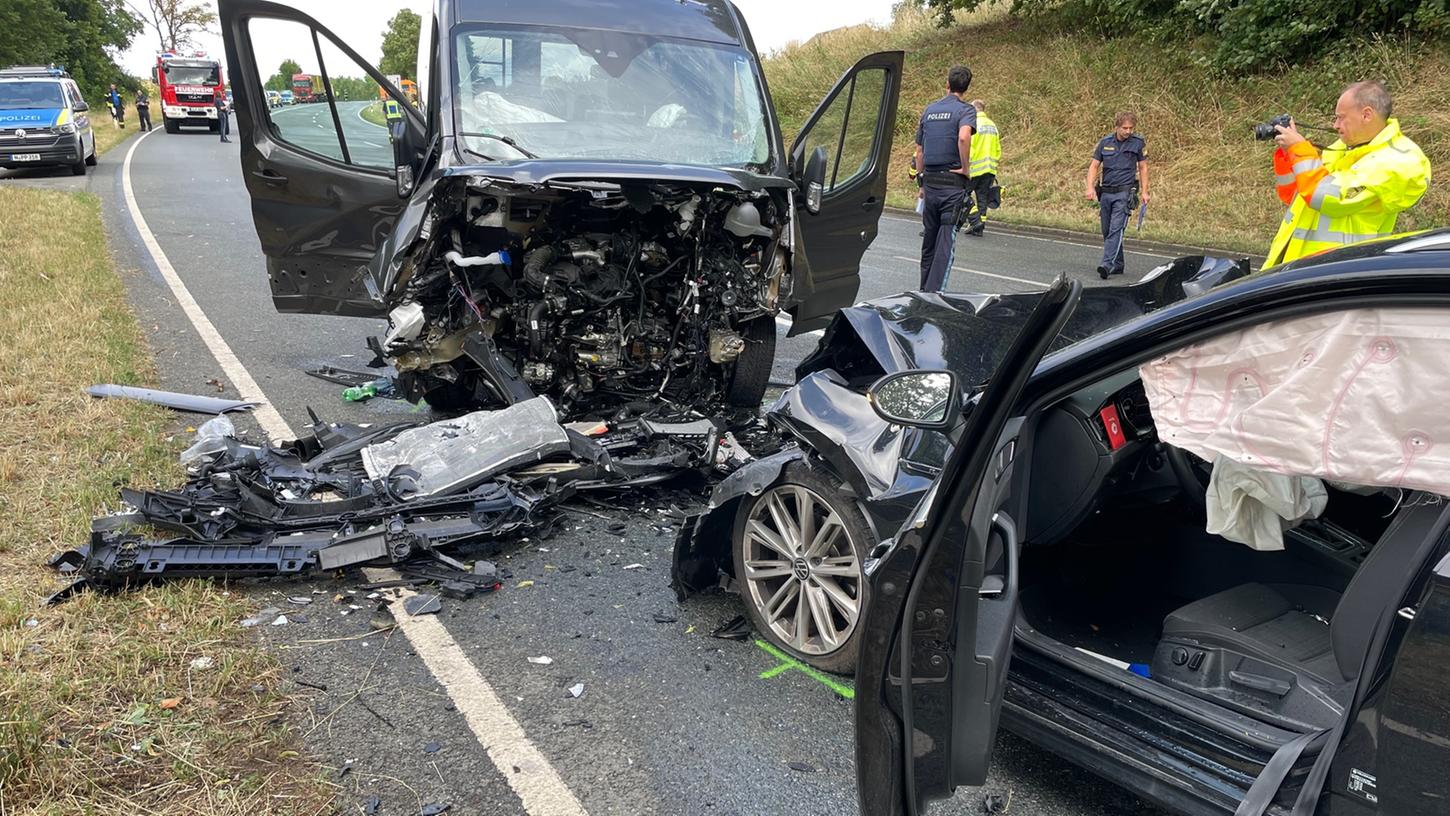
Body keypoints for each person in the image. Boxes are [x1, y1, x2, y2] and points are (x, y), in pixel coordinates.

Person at [1265, 80, 1431, 269]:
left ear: (1366, 115)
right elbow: (1295, 195)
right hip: (1295, 266)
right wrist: (1291, 154)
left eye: (1341, 117)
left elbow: (1329, 198)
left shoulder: (1398, 159)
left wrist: (1300, 150)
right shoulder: (1345, 148)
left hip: (1339, 273)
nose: (1335, 125)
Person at [914, 65, 976, 292]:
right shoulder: (966, 110)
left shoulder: (929, 110)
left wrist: (921, 182)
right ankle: (934, 295)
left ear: (947, 84)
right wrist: (965, 169)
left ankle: (923, 289)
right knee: (945, 242)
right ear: (966, 88)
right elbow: (963, 138)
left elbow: (919, 151)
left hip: (930, 183)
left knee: (928, 240)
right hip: (952, 185)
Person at [1085, 112, 1148, 279]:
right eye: (1124, 128)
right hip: (1106, 192)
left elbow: (1143, 168)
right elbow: (1094, 166)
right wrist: (1090, 187)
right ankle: (1118, 264)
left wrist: (1145, 191)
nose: (1128, 131)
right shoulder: (1105, 143)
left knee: (1116, 228)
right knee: (1107, 230)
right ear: (1117, 127)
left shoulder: (1137, 143)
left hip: (1125, 192)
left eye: (1131, 128)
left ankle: (1107, 264)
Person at [961, 98, 1001, 236]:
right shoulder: (992, 125)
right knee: (982, 197)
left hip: (974, 168)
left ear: (974, 109)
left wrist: (964, 164)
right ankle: (980, 227)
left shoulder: (973, 124)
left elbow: (968, 146)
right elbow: (997, 148)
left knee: (963, 195)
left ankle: (974, 221)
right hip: (989, 168)